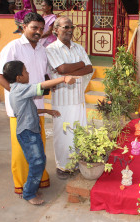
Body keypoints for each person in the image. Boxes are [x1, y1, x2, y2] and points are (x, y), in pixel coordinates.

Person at [2, 60, 77, 205]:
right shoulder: (19, 89)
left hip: (31, 131)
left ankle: (31, 188)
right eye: (25, 71)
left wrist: (46, 111)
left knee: (39, 160)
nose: (28, 73)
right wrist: (63, 78)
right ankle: (29, 193)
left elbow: (28, 110)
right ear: (18, 77)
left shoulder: (18, 89)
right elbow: (41, 86)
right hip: (28, 133)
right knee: (37, 163)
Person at [0, 12, 50, 195]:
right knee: (22, 151)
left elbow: (42, 77)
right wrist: (19, 97)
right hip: (20, 111)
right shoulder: (13, 48)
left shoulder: (42, 49)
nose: (38, 32)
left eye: (41, 29)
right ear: (24, 26)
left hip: (38, 108)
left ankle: (39, 179)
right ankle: (22, 185)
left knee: (39, 148)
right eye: (34, 27)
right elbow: (0, 78)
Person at [46, 16, 93, 180]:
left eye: (71, 27)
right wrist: (78, 65)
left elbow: (89, 68)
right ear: (56, 30)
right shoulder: (51, 49)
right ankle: (63, 166)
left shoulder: (78, 48)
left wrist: (68, 72)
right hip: (62, 100)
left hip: (78, 98)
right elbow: (61, 68)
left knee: (79, 132)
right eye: (65, 27)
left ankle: (77, 163)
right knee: (63, 133)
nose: (69, 30)